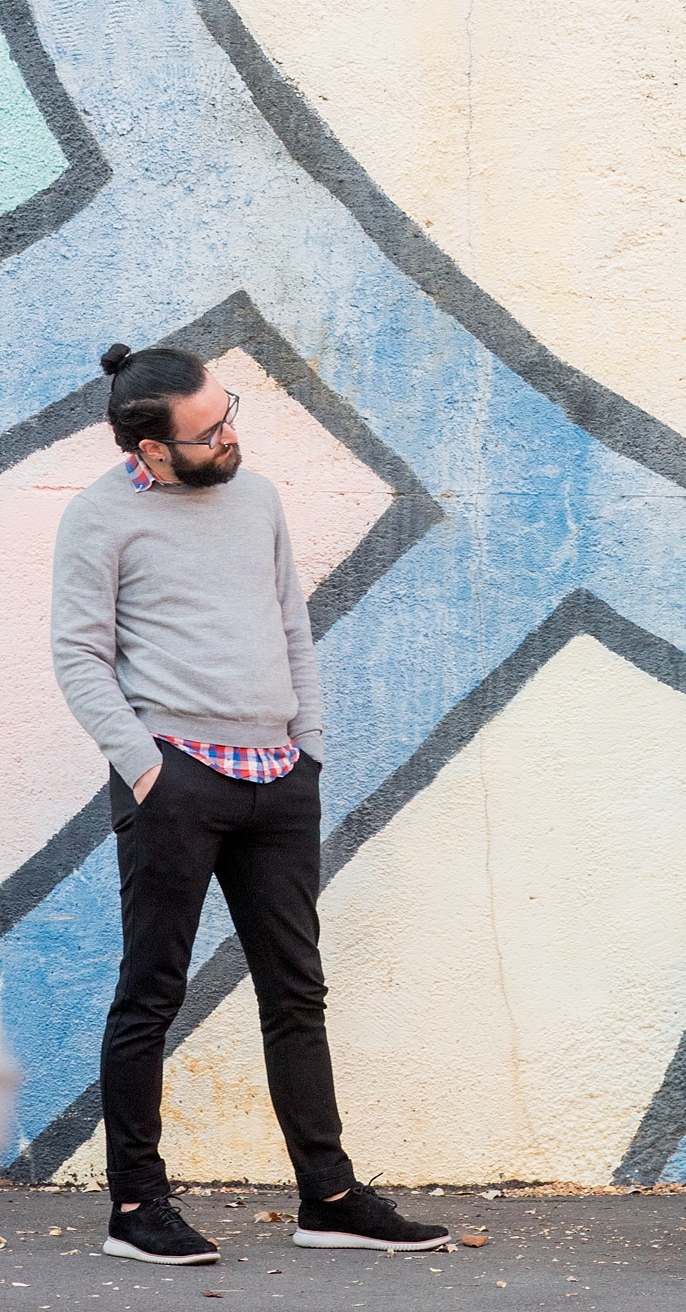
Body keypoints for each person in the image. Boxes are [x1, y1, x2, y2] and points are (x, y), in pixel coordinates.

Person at [50, 343, 451, 1268]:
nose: (229, 436)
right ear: (149, 448)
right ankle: (137, 1207)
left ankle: (331, 1197)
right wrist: (148, 770)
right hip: (177, 778)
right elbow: (78, 657)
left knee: (296, 992)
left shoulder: (258, 496)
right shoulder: (99, 520)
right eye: (207, 432)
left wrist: (306, 748)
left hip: (279, 777)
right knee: (152, 992)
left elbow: (290, 627)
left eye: (228, 414)